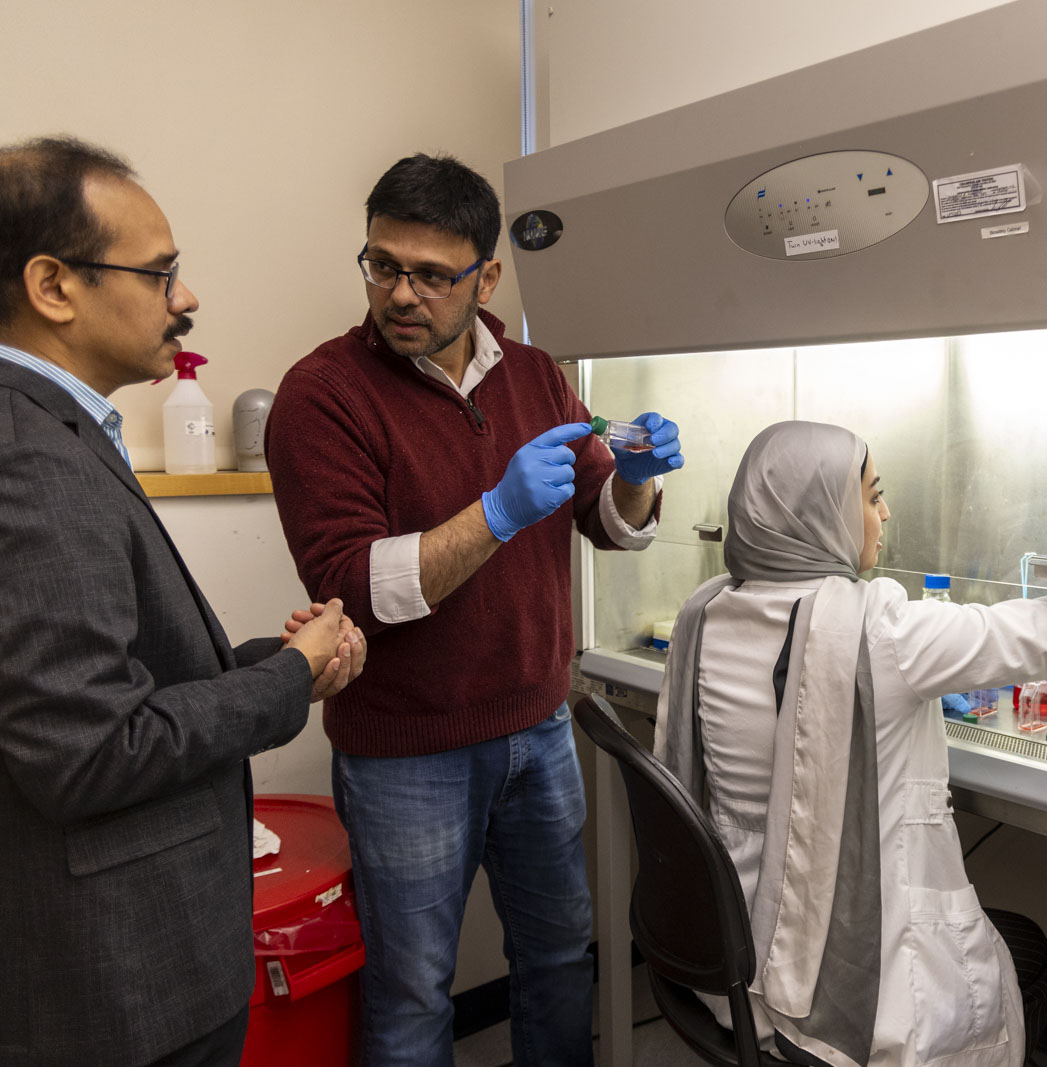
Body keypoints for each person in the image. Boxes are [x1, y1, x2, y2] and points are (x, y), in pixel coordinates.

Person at [265, 152, 684, 1067]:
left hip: (537, 730)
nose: (400, 294)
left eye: (430, 273)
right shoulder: (322, 394)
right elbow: (354, 586)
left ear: (486, 275)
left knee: (559, 959)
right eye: (382, 265)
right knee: (415, 992)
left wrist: (640, 485)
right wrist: (494, 514)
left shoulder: (536, 375)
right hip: (406, 752)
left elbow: (605, 522)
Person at [656, 420, 1047, 1067]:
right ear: (823, 512)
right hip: (856, 988)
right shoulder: (878, 633)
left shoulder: (706, 612)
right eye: (871, 494)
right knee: (1024, 955)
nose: (884, 511)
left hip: (730, 961)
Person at [0, 136, 365, 1067]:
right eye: (160, 273)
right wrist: (286, 677)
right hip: (123, 986)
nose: (187, 298)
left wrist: (269, 663)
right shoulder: (29, 460)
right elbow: (88, 749)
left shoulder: (64, 432)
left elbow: (101, 677)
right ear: (53, 286)